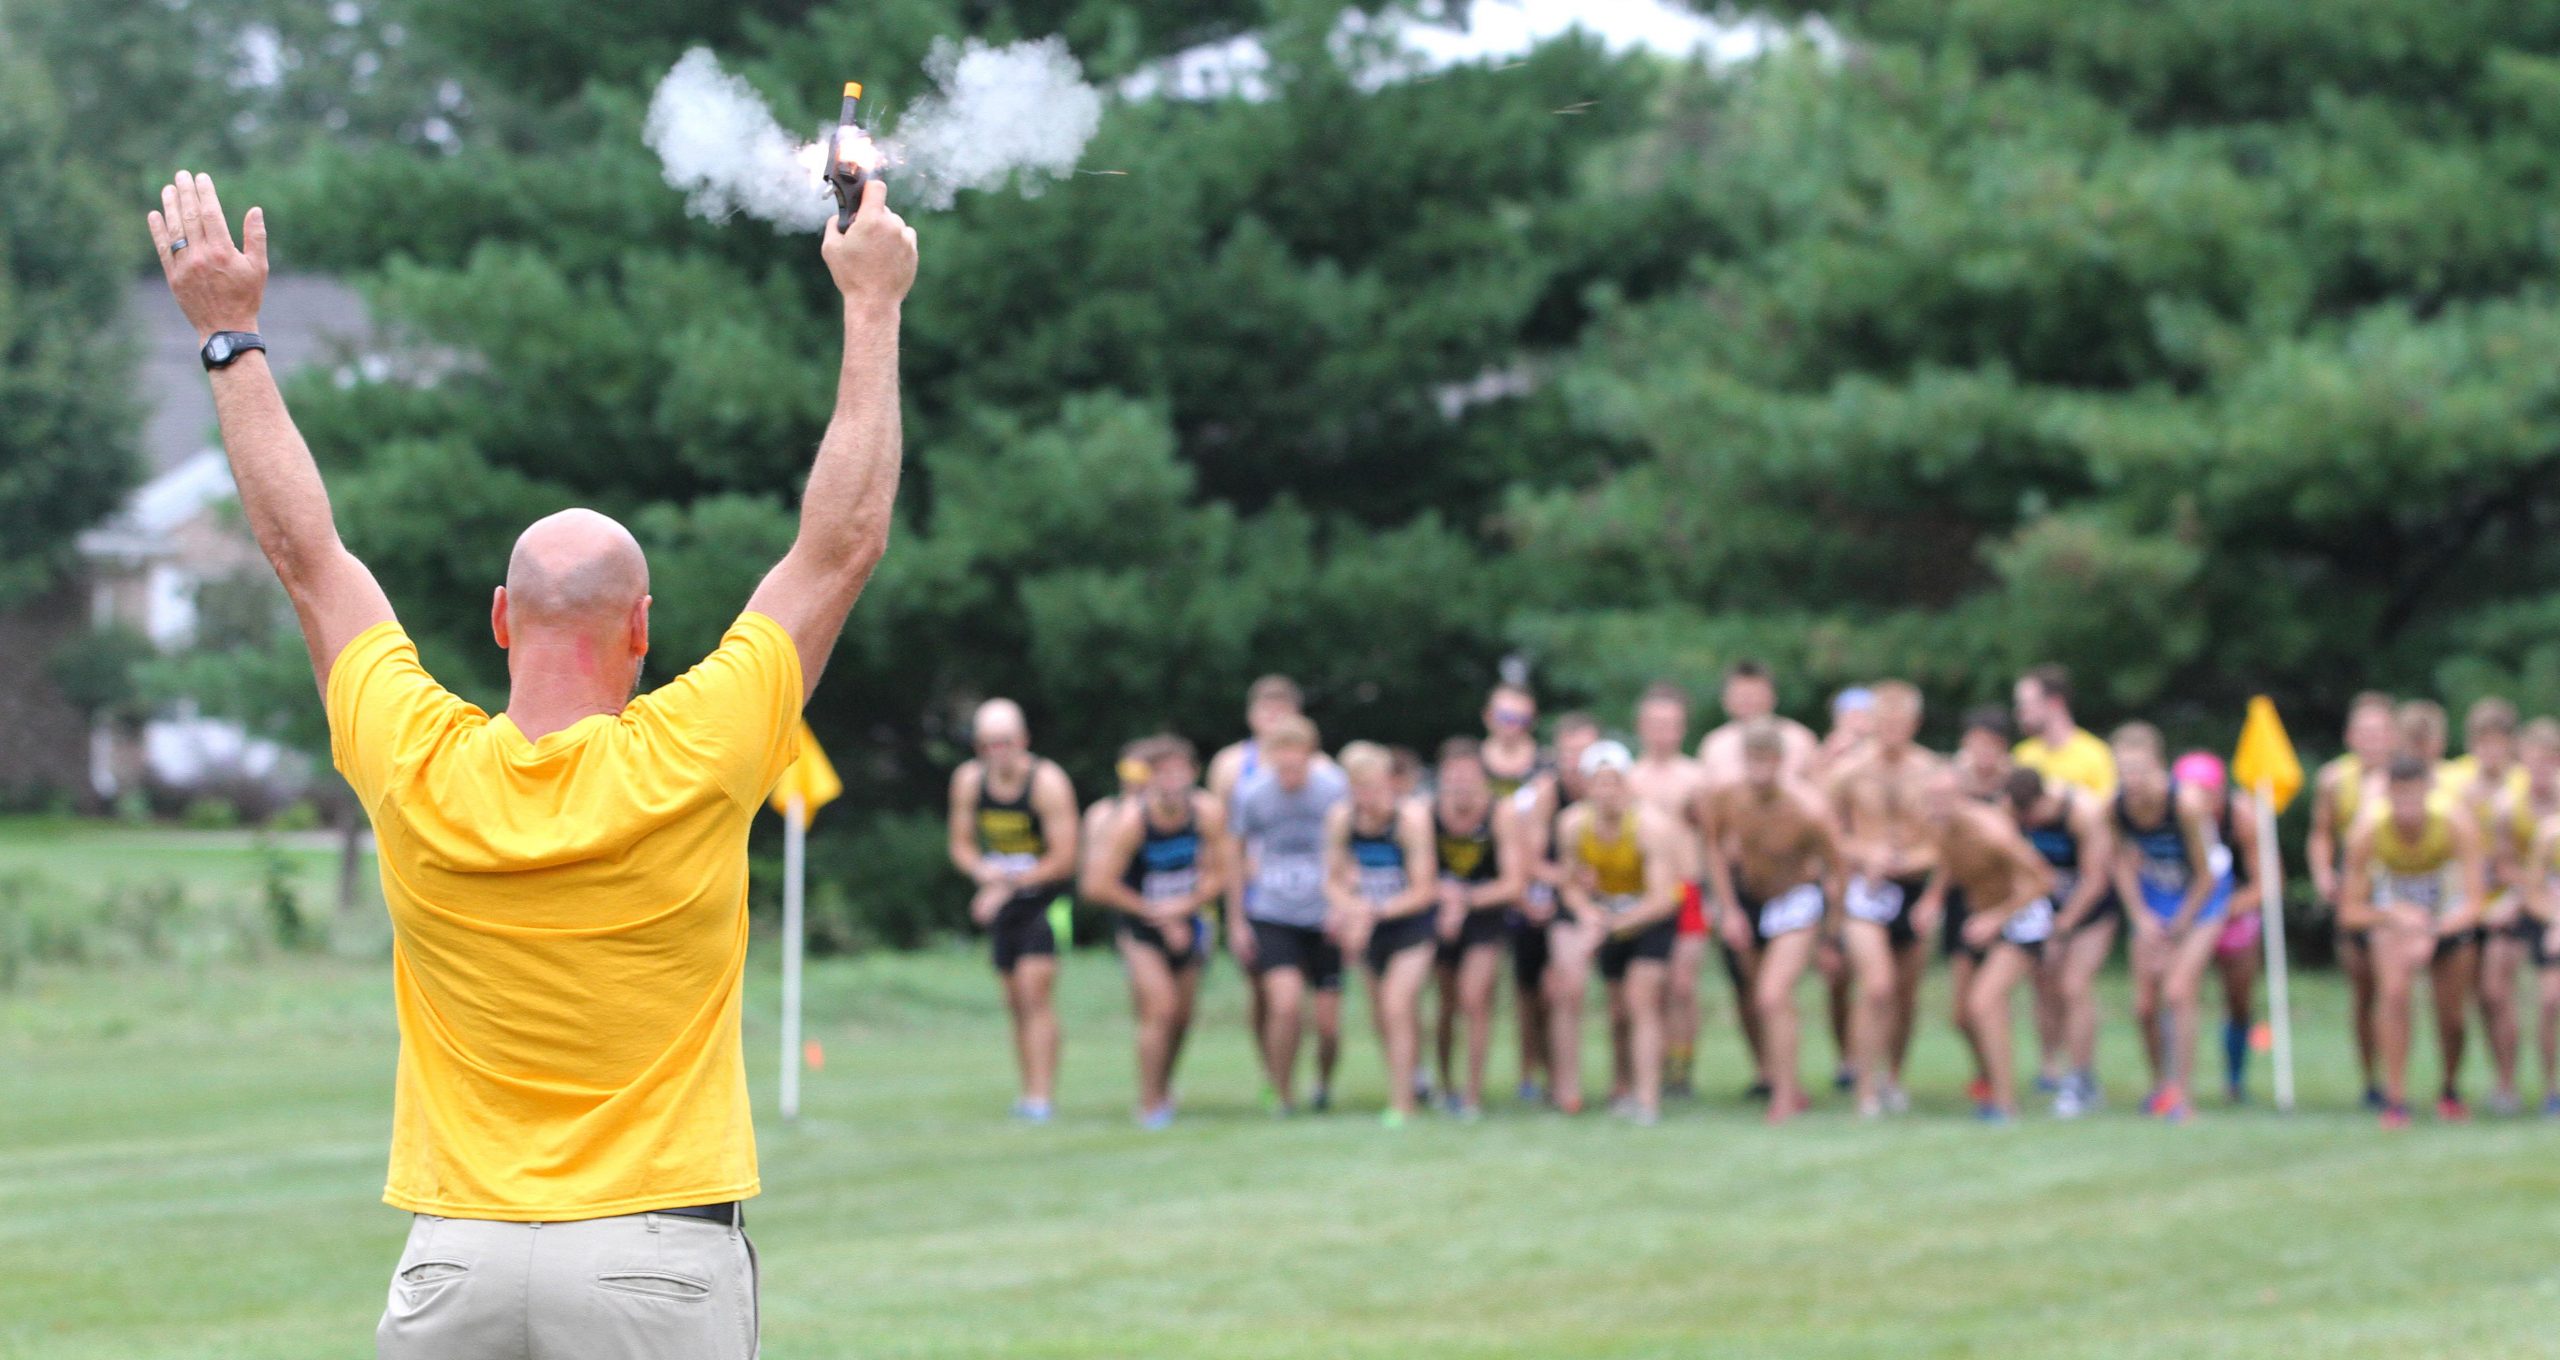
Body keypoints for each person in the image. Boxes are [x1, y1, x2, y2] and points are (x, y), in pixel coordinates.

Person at [149, 164, 914, 1354]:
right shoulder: (702, 746)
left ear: (502, 619)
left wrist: (229, 337)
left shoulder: (413, 756)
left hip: (455, 1252)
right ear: (644, 629)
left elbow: (305, 554)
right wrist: (871, 304)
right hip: (655, 1254)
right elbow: (841, 545)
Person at [1701, 719, 1847, 1123]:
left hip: (1796, 898)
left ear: (1781, 761)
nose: (1758, 771)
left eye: (1766, 762)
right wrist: (1727, 907)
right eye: (1751, 761)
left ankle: (1783, 1097)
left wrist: (1831, 937)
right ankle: (1782, 1080)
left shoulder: (1809, 808)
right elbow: (1713, 847)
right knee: (1755, 996)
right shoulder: (1727, 798)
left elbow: (1838, 869)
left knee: (1772, 994)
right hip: (1748, 897)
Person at [1079, 736, 1226, 1129]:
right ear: (1150, 778)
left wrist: (1184, 907)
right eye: (1163, 772)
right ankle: (1149, 1103)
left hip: (1190, 919)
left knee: (1182, 1016)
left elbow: (1220, 874)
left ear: (1194, 773)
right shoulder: (1130, 820)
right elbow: (1097, 885)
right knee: (1159, 1009)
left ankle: (1164, 1085)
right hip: (1140, 924)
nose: (1173, 780)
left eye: (1181, 771)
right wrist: (1155, 912)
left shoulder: (1207, 813)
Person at [947, 699, 1081, 1122]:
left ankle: (1043, 1096)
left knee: (1034, 992)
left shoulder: (1047, 783)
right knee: (1013, 1000)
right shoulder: (968, 782)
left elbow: (1065, 858)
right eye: (987, 745)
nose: (996, 753)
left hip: (1047, 900)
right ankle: (1027, 1092)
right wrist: (984, 874)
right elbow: (962, 846)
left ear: (1022, 741)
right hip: (1004, 900)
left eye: (1004, 743)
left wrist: (1005, 885)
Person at [2342, 755, 2490, 1127]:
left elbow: (2475, 901)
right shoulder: (2368, 833)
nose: (2407, 806)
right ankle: (2396, 1099)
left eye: (2414, 795)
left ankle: (2450, 1089)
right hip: (2395, 924)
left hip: (2448, 920)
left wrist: (2433, 931)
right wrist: (2396, 918)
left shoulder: (2455, 825)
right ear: (2388, 794)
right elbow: (2351, 910)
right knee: (2393, 995)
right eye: (2399, 795)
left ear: (2429, 791)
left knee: (2452, 1015)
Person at [1826, 681, 1946, 1116]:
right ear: (1872, 723)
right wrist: (1865, 853)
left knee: (1904, 994)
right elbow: (1829, 834)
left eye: (1900, 723)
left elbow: (1947, 840)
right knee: (1875, 987)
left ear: (1913, 724)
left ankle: (1893, 1074)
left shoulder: (1932, 772)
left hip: (1913, 887)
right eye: (1883, 722)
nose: (1891, 731)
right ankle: (1865, 1088)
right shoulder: (1849, 772)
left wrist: (1916, 866)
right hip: (1867, 887)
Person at [1555, 741, 1687, 1123]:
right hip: (1609, 913)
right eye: (1598, 783)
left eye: (1613, 782)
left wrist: (1609, 925)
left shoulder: (1651, 826)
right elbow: (1570, 883)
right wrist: (1586, 913)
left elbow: (1663, 898)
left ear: (1627, 784)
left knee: (1641, 1000)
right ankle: (1622, 1087)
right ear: (1586, 786)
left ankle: (1648, 1099)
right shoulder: (1572, 825)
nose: (1606, 791)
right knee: (1617, 1010)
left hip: (1651, 916)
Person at [1229, 716, 1351, 1114]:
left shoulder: (1334, 791)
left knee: (1328, 1026)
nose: (1288, 773)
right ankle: (1282, 1092)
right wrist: (1236, 920)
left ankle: (1322, 1083)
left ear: (1311, 758)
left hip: (1324, 914)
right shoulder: (1252, 794)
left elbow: (1352, 851)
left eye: (1296, 765)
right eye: (1281, 765)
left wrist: (1344, 906)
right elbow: (1235, 855)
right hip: (1272, 912)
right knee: (1283, 1006)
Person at [1924, 769, 2058, 1122]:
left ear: (1962, 797)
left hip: (2020, 919)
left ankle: (2005, 1104)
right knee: (1962, 1016)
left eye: (1944, 797)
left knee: (1984, 1003)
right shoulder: (1942, 827)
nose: (1936, 805)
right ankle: (1991, 1081)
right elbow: (1949, 864)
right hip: (1983, 919)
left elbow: (2043, 880)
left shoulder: (1992, 831)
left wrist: (1997, 918)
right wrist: (1932, 900)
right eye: (1931, 797)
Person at [1209, 675, 1321, 1088]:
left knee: (1298, 994)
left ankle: (1295, 1071)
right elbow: (1221, 835)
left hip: (1308, 894)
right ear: (1251, 716)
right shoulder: (1230, 766)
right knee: (1264, 991)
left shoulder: (1320, 770)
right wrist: (1229, 900)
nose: (1273, 720)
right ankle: (1271, 1072)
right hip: (1257, 893)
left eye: (1282, 711)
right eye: (1265, 711)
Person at [2107, 724, 2220, 1123]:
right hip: (2153, 900)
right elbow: (2119, 860)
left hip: (2200, 901)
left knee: (2177, 991)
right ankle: (2160, 1085)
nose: (2130, 780)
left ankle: (2183, 1096)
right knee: (2144, 1005)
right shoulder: (2116, 806)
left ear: (2160, 767)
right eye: (2123, 771)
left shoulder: (2186, 805)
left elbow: (2208, 874)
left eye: (2139, 770)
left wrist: (2180, 926)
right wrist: (2140, 915)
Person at [1327, 744, 1442, 1125]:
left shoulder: (1410, 820)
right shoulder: (1341, 821)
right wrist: (1352, 908)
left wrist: (1372, 912)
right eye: (1361, 788)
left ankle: (1402, 1102)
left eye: (1377, 787)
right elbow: (1332, 881)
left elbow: (1424, 888)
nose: (1370, 796)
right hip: (1369, 926)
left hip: (1410, 924)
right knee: (1383, 1015)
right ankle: (1412, 1076)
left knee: (1397, 1004)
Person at [2004, 766, 2117, 1116]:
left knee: (2074, 986)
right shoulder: (2012, 812)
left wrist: (2063, 926)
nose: (2028, 821)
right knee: (2046, 988)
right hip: (2046, 909)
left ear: (2043, 799)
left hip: (2091, 910)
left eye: (2031, 814)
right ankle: (2052, 1068)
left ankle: (2081, 1079)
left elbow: (2096, 878)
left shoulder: (2082, 813)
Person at [1427, 738, 1526, 1119]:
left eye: (1469, 776)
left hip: (1485, 914)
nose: (1461, 784)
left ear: (1483, 780)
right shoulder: (1426, 815)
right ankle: (1445, 1084)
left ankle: (1472, 1094)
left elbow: (1513, 883)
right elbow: (1416, 875)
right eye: (1453, 777)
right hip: (1438, 915)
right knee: (1446, 1004)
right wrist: (1445, 900)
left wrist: (1464, 901)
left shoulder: (1501, 815)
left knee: (1474, 998)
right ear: (1441, 780)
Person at [2307, 691, 2396, 1108]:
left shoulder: (2408, 776)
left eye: (2379, 731)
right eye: (2363, 731)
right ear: (2349, 736)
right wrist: (2324, 873)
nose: (2371, 739)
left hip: (2395, 890)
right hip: (2353, 893)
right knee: (2363, 990)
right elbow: (2322, 832)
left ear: (2392, 736)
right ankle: (2370, 1079)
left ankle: (2399, 1079)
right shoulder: (2333, 779)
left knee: (2393, 987)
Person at [1631, 683, 1718, 1100]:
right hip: (1646, 891)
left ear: (1682, 728)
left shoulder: (1697, 777)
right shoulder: (1629, 779)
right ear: (1641, 726)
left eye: (1671, 724)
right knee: (1652, 984)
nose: (1662, 731)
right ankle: (1651, 1062)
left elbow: (1716, 841)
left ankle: (1681, 1067)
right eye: (1655, 723)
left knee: (1683, 984)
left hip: (1688, 888)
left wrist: (1716, 895)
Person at [2176, 752, 2273, 1105]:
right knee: (2178, 993)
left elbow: (2266, 881)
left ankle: (2235, 1080)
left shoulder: (2240, 817)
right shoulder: (2174, 817)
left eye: (2204, 791)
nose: (2196, 799)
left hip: (2235, 913)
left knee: (2238, 999)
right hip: (2191, 914)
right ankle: (2175, 1082)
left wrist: (2227, 909)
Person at [1517, 712, 1599, 1107]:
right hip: (1560, 902)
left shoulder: (1619, 791)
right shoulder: (1547, 794)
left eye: (1584, 751)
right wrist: (1568, 879)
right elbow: (1532, 861)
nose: (1576, 761)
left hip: (1611, 900)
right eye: (1569, 752)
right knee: (1558, 990)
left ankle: (1627, 1084)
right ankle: (1563, 1085)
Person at [2451, 698, 2528, 1113]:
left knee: (2498, 992)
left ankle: (2507, 1083)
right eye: (2483, 743)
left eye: (2499, 743)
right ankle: (2463, 1084)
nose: (2490, 752)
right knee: (2476, 998)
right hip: (2468, 904)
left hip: (2509, 906)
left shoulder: (2524, 783)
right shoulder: (2455, 782)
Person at [1945, 705, 2016, 1103]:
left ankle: (2006, 1087)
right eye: (1974, 745)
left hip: (2006, 902)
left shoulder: (2015, 787)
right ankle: (1986, 1071)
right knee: (1962, 1012)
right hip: (1964, 901)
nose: (1981, 753)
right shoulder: (1950, 786)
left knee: (1989, 1002)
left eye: (1990, 746)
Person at [2506, 720, 2560, 1115]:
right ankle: (2551, 1087)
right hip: (2548, 918)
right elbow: (2532, 885)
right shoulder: (2534, 827)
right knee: (2549, 1000)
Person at [2012, 665, 2117, 796]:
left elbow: (2106, 809)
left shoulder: (2095, 754)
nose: (2020, 712)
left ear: (2055, 703)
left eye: (2026, 703)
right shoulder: (2022, 756)